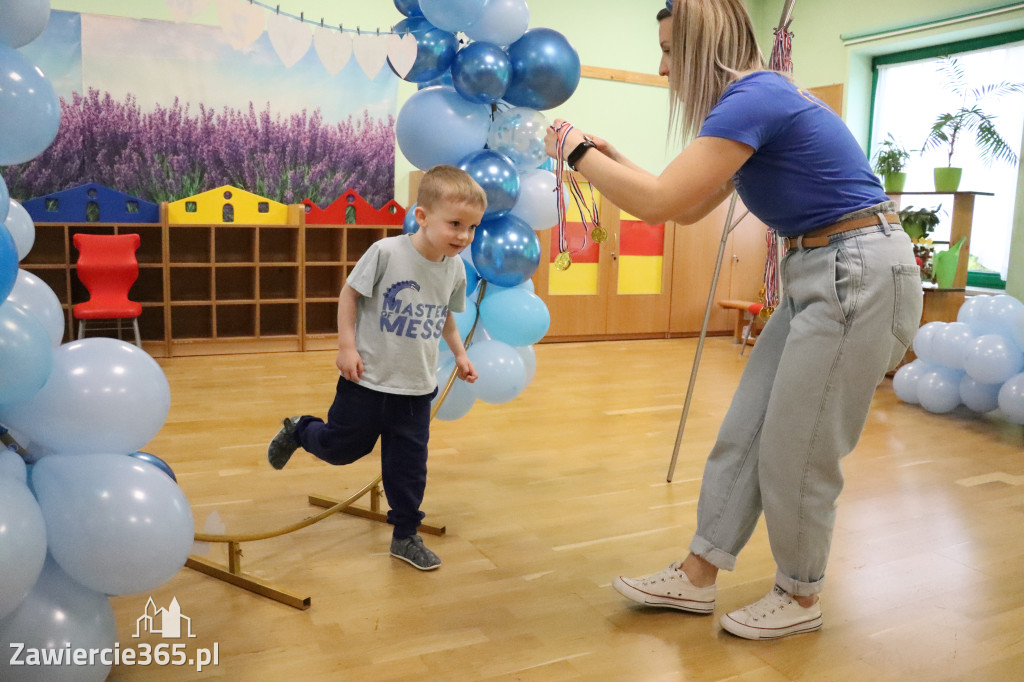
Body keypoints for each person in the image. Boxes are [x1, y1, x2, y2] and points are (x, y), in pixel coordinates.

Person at [545, 0, 922, 639]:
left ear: (699, 49)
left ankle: (800, 598)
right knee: (745, 430)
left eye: (669, 53)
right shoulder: (753, 106)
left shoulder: (755, 97)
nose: (664, 69)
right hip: (822, 268)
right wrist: (612, 157)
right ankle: (698, 574)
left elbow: (663, 205)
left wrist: (576, 150)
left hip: (854, 270)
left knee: (798, 450)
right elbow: (686, 205)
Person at [267, 164, 484, 571]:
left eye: (471, 228)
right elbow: (348, 296)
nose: (463, 236)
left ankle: (405, 536)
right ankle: (298, 429)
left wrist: (459, 354)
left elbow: (445, 316)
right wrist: (346, 346)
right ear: (422, 216)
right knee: (341, 449)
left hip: (416, 390)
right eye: (455, 224)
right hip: (365, 380)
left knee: (408, 470)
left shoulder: (455, 269)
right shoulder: (386, 252)